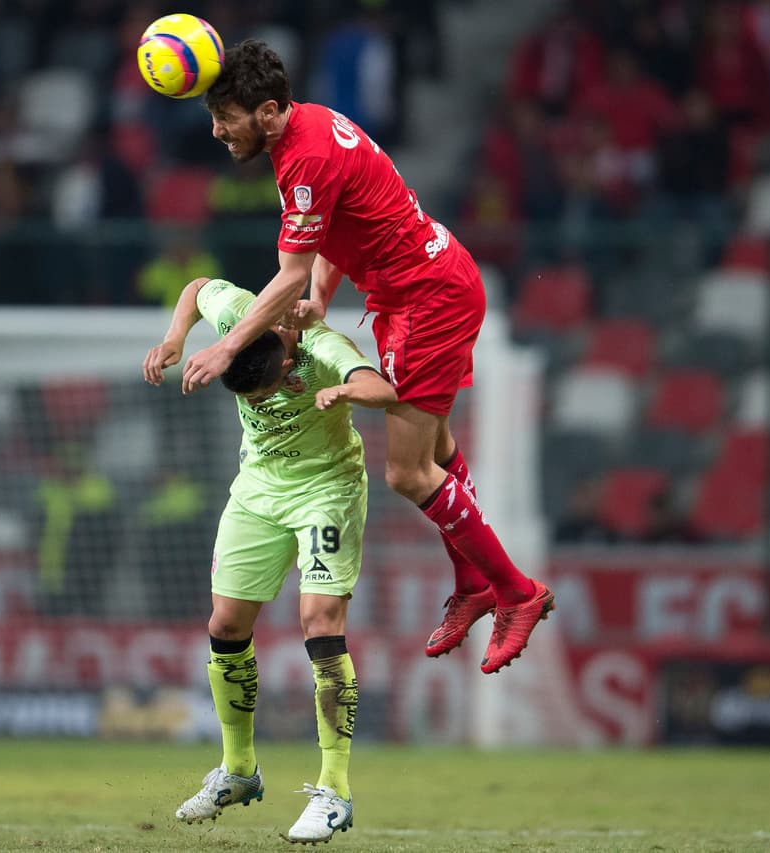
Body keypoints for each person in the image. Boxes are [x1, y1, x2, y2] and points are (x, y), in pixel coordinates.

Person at [178, 39, 553, 674]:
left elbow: (289, 274)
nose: (216, 130)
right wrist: (323, 300)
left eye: (226, 118)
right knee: (434, 450)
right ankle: (474, 586)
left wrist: (227, 344)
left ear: (267, 112)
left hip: (425, 299)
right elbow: (329, 243)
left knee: (407, 472)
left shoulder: (303, 159)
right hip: (425, 282)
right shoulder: (313, 125)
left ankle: (518, 591)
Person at [144, 275, 397, 843]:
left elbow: (384, 390)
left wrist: (347, 392)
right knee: (226, 625)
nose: (256, 402)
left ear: (288, 364)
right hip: (258, 488)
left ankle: (335, 790)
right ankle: (238, 770)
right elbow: (195, 287)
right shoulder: (238, 313)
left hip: (325, 490)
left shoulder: (324, 347)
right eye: (247, 398)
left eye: (262, 391)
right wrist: (176, 337)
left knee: (320, 622)